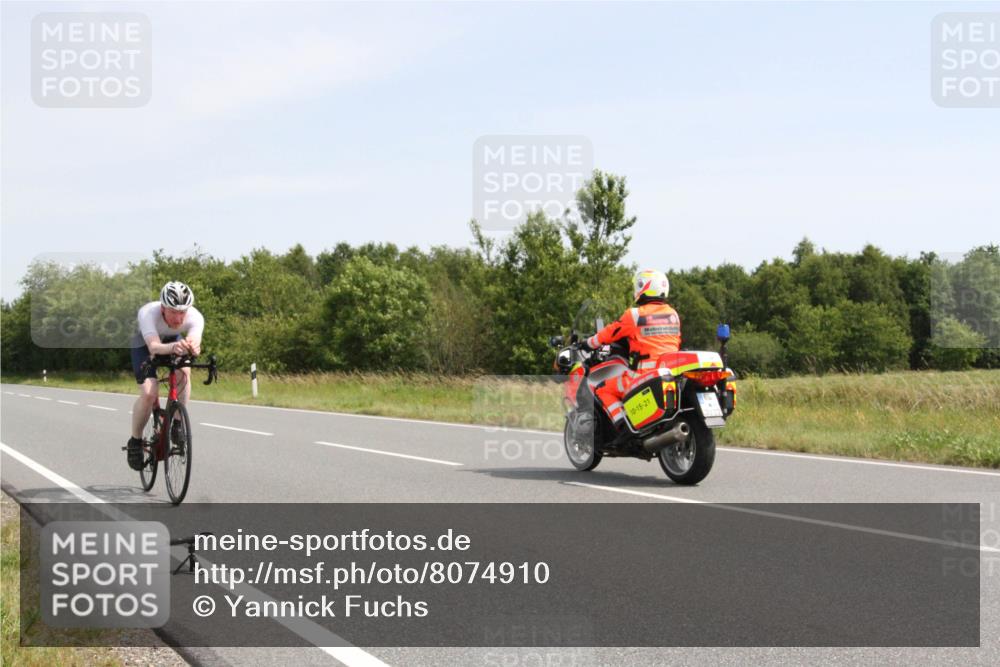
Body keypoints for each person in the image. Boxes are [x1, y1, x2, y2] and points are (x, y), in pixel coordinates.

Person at [582, 269, 681, 429]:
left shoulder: (634, 315)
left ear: (643, 287)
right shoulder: (673, 315)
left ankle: (622, 426)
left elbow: (608, 333)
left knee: (603, 389)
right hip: (669, 373)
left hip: (642, 375)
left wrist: (588, 343)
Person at [125, 281, 204, 470]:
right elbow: (153, 347)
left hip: (171, 340)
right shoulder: (148, 313)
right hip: (144, 343)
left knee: (184, 372)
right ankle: (135, 441)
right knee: (149, 393)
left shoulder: (195, 317)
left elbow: (194, 342)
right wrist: (174, 347)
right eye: (173, 312)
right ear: (162, 308)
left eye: (182, 312)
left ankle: (177, 423)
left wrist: (193, 347)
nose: (178, 318)